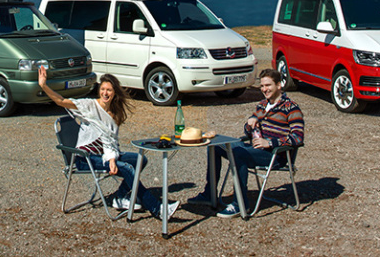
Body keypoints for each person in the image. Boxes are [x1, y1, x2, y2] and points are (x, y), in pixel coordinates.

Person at [39, 66, 179, 220]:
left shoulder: (115, 112)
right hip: (85, 158)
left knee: (141, 160)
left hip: (105, 154)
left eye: (109, 90)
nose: (105, 93)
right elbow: (60, 101)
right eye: (103, 89)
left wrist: (112, 158)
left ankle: (120, 197)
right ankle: (157, 209)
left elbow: (110, 141)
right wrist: (44, 85)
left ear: (114, 93)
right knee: (126, 168)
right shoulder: (89, 106)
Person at [187, 68, 304, 218]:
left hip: (276, 155)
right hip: (256, 149)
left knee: (238, 153)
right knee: (215, 147)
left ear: (279, 85)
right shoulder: (262, 105)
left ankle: (240, 204)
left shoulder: (291, 108)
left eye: (268, 85)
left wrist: (270, 143)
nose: (264, 89)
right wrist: (250, 123)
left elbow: (298, 137)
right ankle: (210, 194)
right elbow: (249, 132)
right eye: (262, 86)